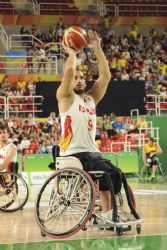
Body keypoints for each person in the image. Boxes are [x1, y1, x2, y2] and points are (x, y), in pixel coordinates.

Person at [56, 30, 122, 221]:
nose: (79, 79)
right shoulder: (66, 97)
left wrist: (98, 48)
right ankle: (109, 215)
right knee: (108, 174)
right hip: (73, 154)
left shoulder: (91, 99)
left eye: (82, 76)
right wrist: (72, 54)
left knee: (116, 174)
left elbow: (106, 76)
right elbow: (68, 72)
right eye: (76, 77)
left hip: (92, 153)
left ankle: (109, 214)